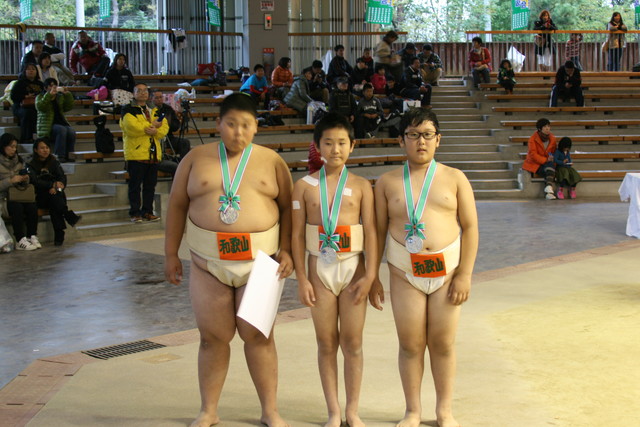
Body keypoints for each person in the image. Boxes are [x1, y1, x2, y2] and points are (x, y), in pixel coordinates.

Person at [163, 92, 293, 427]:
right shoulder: (194, 159)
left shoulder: (272, 161)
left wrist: (288, 249)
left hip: (261, 262)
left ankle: (270, 410)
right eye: (231, 124)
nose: (238, 132)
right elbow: (176, 205)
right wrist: (170, 253)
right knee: (212, 337)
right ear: (219, 124)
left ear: (256, 127)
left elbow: (288, 209)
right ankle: (208, 410)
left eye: (246, 125)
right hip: (207, 262)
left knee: (259, 336)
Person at [369, 107, 478, 427]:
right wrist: (372, 275)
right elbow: (377, 231)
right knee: (410, 343)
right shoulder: (387, 182)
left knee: (443, 343)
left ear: (438, 139)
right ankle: (412, 411)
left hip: (447, 272)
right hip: (405, 272)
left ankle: (444, 410)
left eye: (427, 135)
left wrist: (465, 274)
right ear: (401, 140)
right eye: (413, 135)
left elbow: (470, 227)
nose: (421, 142)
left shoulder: (455, 178)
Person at [291, 112, 376, 427]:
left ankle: (352, 410)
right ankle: (333, 411)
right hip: (318, 270)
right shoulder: (303, 186)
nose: (335, 149)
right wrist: (301, 278)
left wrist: (371, 275)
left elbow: (372, 232)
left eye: (342, 143)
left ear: (352, 146)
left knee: (353, 342)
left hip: (353, 269)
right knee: (326, 342)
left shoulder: (362, 185)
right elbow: (296, 235)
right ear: (317, 146)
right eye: (328, 143)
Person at [120, 84, 169, 222]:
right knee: (135, 186)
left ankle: (147, 211)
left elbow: (164, 127)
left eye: (145, 91)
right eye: (139, 91)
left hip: (152, 153)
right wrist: (152, 126)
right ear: (133, 93)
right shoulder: (128, 109)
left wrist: (156, 131)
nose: (142, 93)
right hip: (136, 153)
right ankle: (135, 213)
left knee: (150, 186)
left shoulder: (154, 109)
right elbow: (132, 127)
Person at [28, 138, 81, 245]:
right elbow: (35, 181)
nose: (45, 150)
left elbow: (62, 178)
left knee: (55, 198)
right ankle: (64, 221)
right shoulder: (31, 164)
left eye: (47, 147)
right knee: (55, 198)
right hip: (39, 196)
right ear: (35, 150)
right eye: (42, 148)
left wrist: (56, 187)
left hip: (54, 194)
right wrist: (51, 185)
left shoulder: (54, 162)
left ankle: (60, 231)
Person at [0, 133, 40, 251]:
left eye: (15, 147)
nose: (14, 149)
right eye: (11, 146)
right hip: (4, 198)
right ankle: (20, 239)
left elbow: (25, 178)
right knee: (16, 207)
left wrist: (25, 179)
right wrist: (10, 181)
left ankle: (31, 235)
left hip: (18, 194)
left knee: (32, 206)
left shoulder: (19, 161)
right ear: (3, 146)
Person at [35, 78, 76, 162]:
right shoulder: (40, 97)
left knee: (71, 131)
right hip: (47, 126)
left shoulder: (59, 97)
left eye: (55, 85)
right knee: (61, 129)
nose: (53, 87)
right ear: (45, 88)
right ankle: (59, 155)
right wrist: (49, 95)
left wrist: (67, 95)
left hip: (60, 122)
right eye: (50, 86)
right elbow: (40, 107)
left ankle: (70, 155)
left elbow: (68, 107)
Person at [151, 90, 191, 163]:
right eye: (156, 98)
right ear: (151, 99)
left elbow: (176, 126)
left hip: (168, 136)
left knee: (185, 142)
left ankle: (182, 163)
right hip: (154, 137)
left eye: (160, 97)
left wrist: (168, 123)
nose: (159, 99)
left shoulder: (168, 109)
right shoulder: (148, 110)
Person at [522, 118, 557, 200]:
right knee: (549, 168)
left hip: (548, 163)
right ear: (540, 129)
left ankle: (549, 190)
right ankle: (549, 191)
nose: (547, 128)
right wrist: (546, 160)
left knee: (549, 168)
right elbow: (533, 155)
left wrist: (551, 157)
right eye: (545, 127)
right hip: (535, 164)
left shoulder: (552, 138)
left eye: (548, 126)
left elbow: (554, 151)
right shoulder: (532, 139)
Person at [10, 63, 44, 144]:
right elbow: (13, 96)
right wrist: (25, 96)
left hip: (35, 106)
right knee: (27, 113)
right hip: (21, 106)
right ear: (24, 71)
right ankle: (26, 138)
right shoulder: (19, 83)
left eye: (33, 69)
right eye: (29, 69)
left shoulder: (40, 84)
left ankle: (40, 138)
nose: (31, 71)